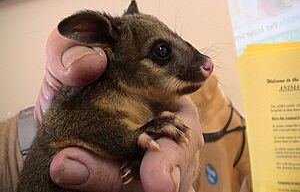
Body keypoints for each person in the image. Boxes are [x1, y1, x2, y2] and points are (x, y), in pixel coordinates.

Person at [0, 28, 203, 192]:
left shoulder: (145, 102)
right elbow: (72, 125)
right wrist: (134, 139)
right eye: (161, 52)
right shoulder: (92, 92)